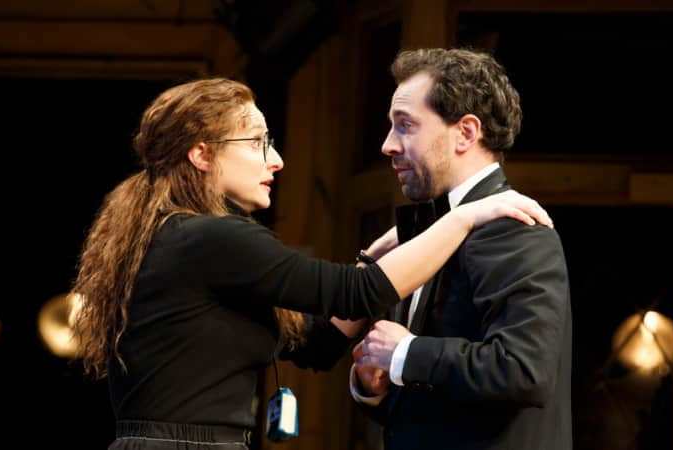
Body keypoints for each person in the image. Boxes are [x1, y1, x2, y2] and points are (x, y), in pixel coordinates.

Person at [70, 77, 552, 450]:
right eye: (257, 141)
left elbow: (315, 342)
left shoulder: (185, 239)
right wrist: (462, 218)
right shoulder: (207, 237)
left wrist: (379, 254)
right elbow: (356, 294)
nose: (275, 159)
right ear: (201, 154)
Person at [351, 48, 572, 450]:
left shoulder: (515, 228)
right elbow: (438, 406)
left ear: (466, 133)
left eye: (405, 125)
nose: (387, 145)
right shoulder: (429, 229)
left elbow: (523, 371)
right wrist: (378, 384)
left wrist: (405, 353)